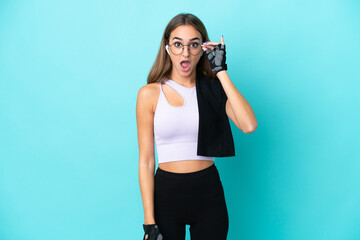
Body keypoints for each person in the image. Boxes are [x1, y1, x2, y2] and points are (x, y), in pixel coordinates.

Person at [137, 13, 257, 240]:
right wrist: (149, 222)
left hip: (207, 193)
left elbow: (249, 125)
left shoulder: (212, 90)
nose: (185, 52)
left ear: (202, 48)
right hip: (165, 194)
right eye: (177, 44)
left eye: (193, 44)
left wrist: (221, 71)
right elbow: (146, 161)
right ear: (167, 48)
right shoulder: (149, 94)